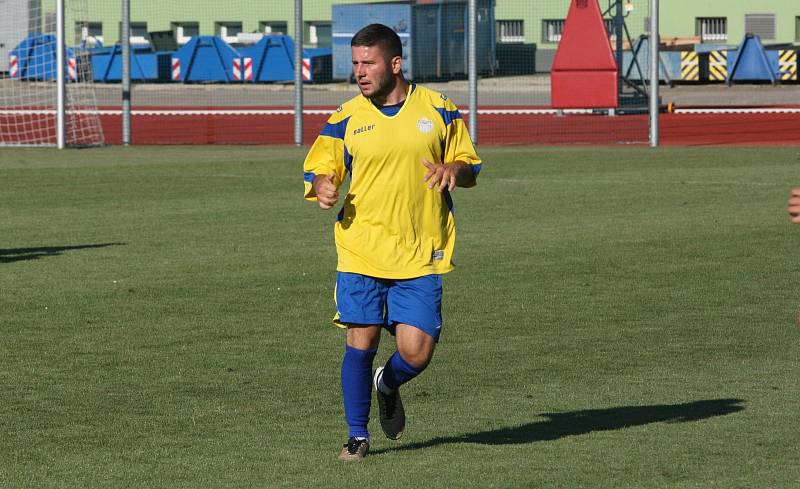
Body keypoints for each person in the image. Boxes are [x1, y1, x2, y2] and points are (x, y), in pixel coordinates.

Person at [302, 23, 482, 461]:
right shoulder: (346, 117)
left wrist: (452, 171)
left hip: (421, 252)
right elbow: (319, 167)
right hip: (361, 249)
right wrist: (324, 184)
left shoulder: (438, 109)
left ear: (395, 64)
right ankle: (357, 437)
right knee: (359, 341)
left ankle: (389, 383)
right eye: (356, 64)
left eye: (369, 63)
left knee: (416, 353)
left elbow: (470, 166)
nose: (359, 72)